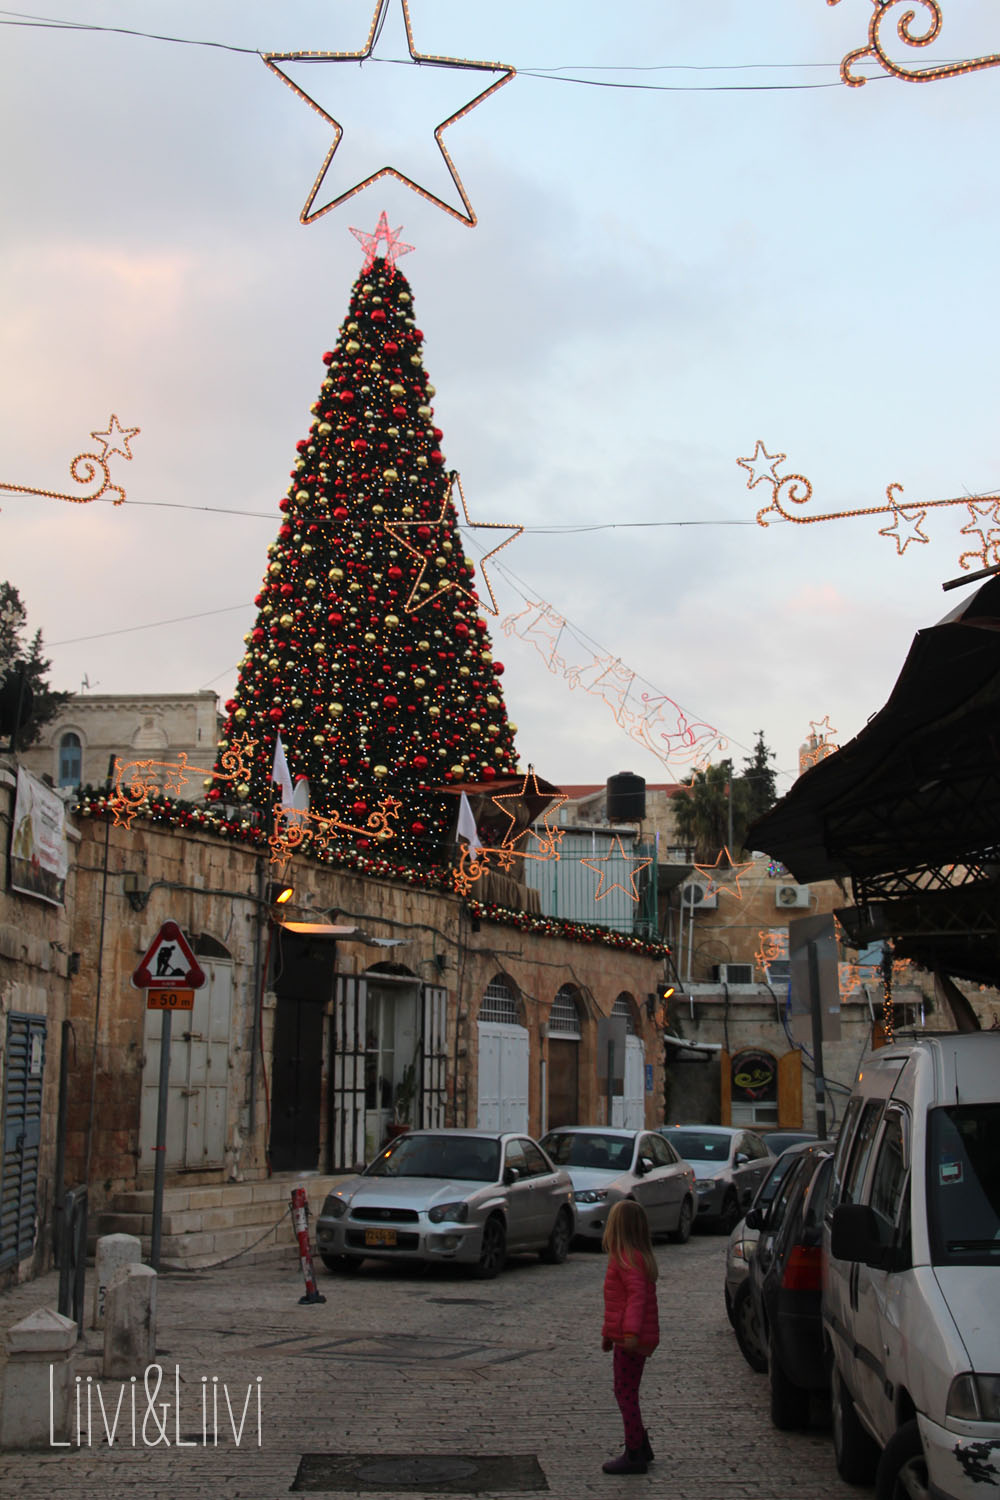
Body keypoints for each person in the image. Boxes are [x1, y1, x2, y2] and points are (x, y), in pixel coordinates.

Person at [600, 1199, 660, 1475]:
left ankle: (634, 1451)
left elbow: (636, 1299)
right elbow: (616, 1303)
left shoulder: (627, 1260)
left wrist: (630, 1333)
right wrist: (608, 1334)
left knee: (625, 1393)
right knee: (627, 1390)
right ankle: (641, 1445)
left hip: (631, 1339)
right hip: (626, 1337)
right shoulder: (631, 1257)